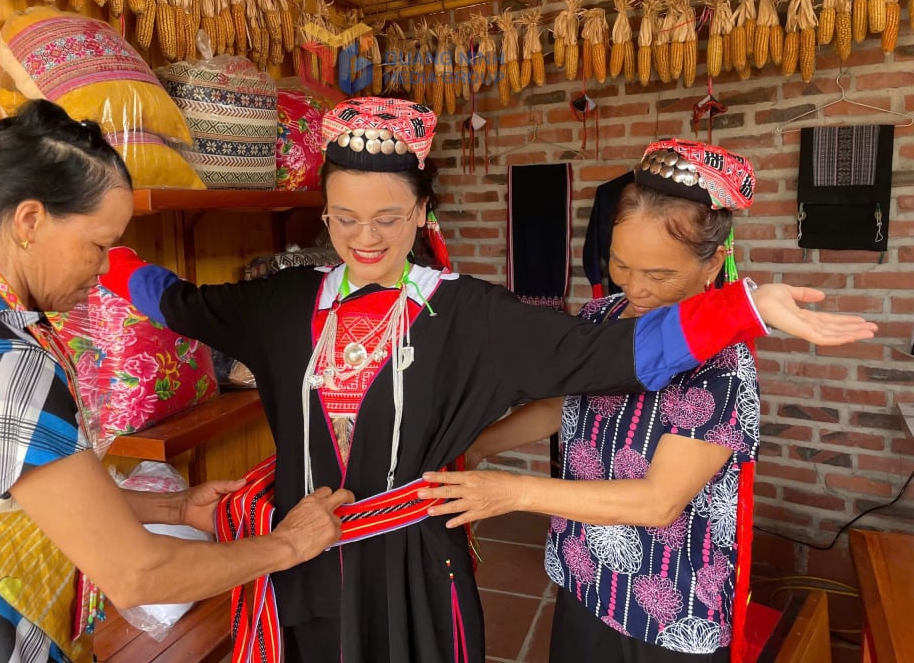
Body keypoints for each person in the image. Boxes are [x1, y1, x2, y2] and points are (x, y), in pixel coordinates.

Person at [99, 100, 874, 663]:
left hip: (414, 560)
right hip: (305, 550)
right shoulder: (280, 302)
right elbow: (177, 303)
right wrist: (100, 250)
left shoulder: (465, 311)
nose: (365, 238)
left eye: (389, 217)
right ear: (324, 214)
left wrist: (745, 309)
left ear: (421, 212)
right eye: (343, 218)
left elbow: (602, 361)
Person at [0, 100, 352, 663]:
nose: (105, 268)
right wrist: (289, 544)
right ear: (30, 221)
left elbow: (33, 498)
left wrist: (178, 508)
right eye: (98, 245)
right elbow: (138, 573)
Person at [419, 139, 795, 662]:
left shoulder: (723, 362)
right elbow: (564, 405)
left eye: (660, 275)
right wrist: (482, 445)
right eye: (620, 265)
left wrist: (511, 492)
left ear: (713, 266)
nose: (635, 289)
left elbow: (657, 501)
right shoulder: (603, 319)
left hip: (667, 608)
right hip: (586, 572)